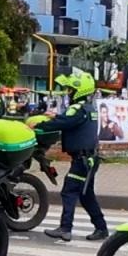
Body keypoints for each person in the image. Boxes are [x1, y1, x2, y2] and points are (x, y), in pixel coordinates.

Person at [36, 68, 109, 242]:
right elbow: (69, 119)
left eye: (71, 90)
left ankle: (65, 228)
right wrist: (56, 116)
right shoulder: (88, 108)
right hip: (89, 159)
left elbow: (63, 122)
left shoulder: (77, 108)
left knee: (69, 191)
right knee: (86, 195)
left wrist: (39, 125)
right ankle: (102, 228)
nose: (69, 93)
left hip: (82, 161)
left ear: (79, 90)